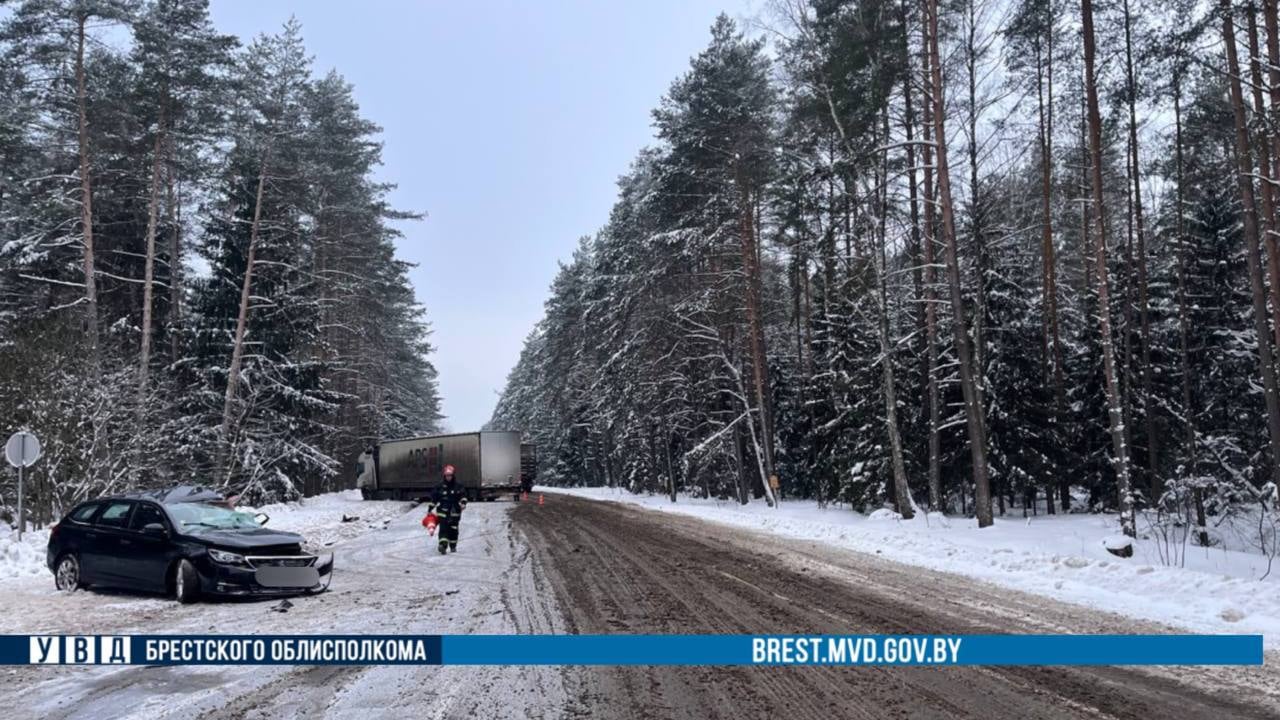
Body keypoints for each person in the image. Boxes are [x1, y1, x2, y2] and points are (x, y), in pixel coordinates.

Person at [429, 464, 467, 554]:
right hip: (443, 511)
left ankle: (453, 546)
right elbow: (434, 498)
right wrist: (430, 508)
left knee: (453, 529)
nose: (448, 477)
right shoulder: (439, 486)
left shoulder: (459, 486)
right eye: (447, 476)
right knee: (443, 528)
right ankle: (443, 546)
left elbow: (463, 495)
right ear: (444, 475)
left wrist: (463, 503)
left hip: (455, 512)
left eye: (450, 475)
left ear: (453, 475)